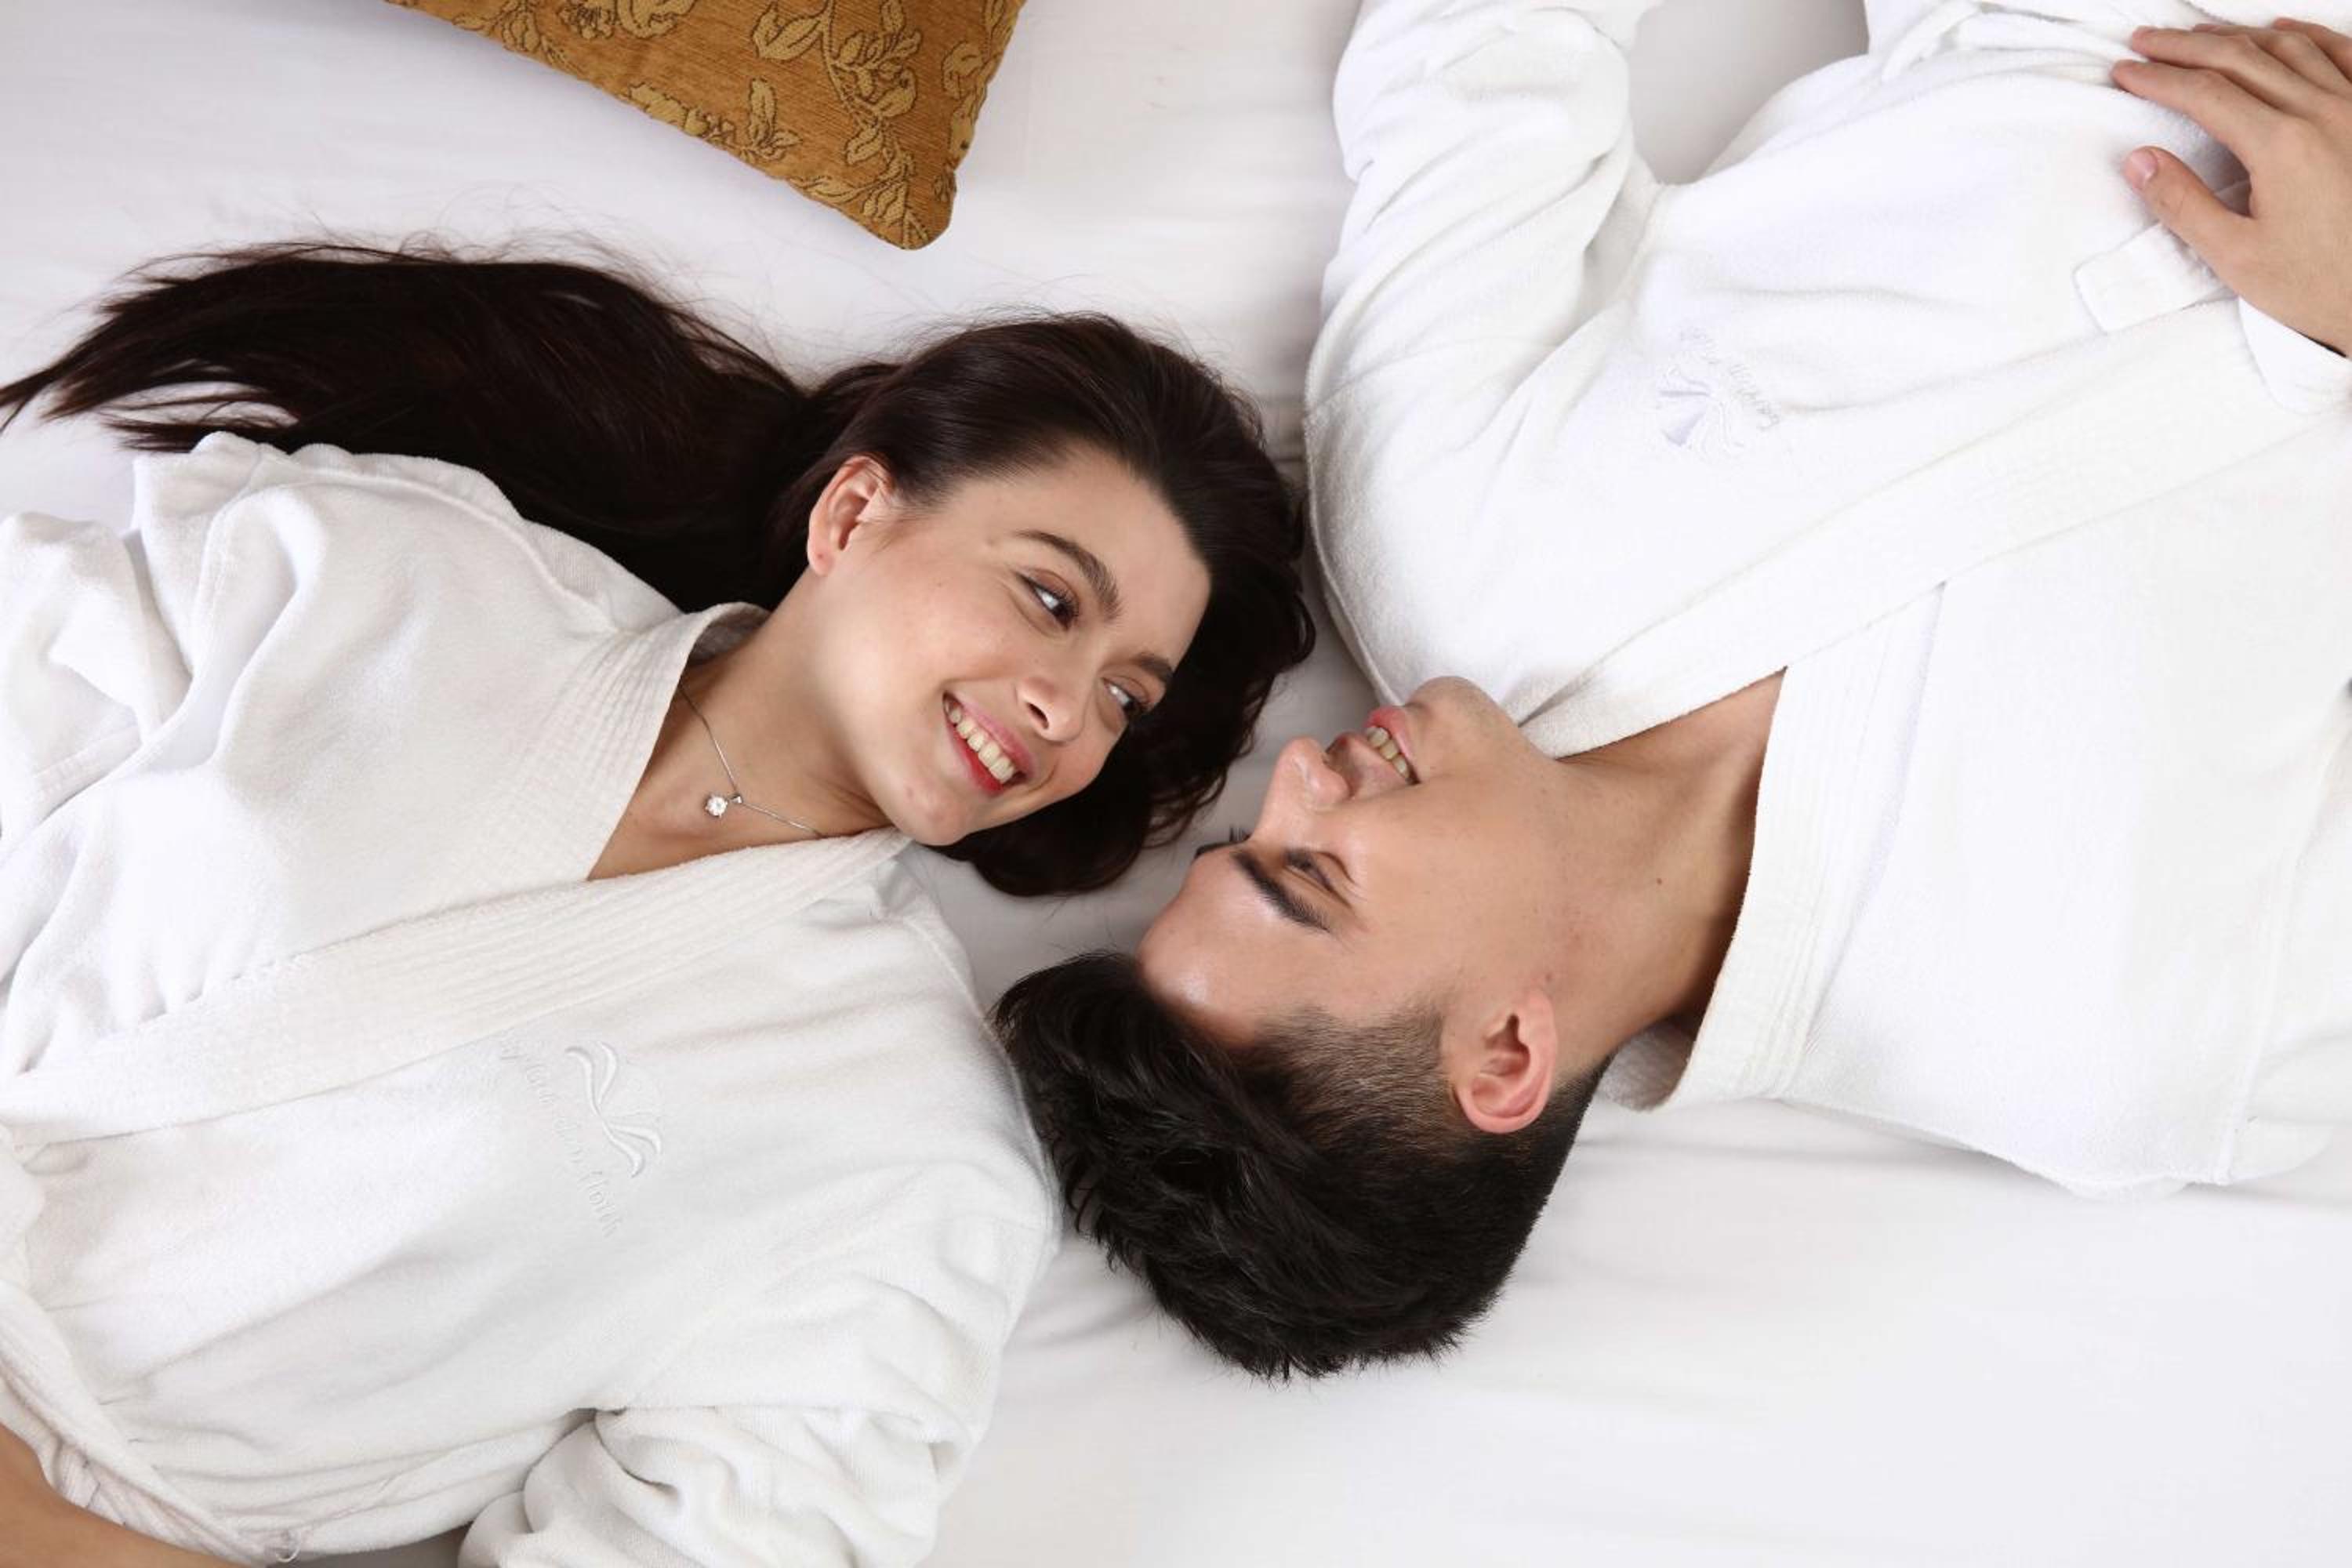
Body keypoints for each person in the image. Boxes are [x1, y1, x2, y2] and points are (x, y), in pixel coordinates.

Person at [998, 2, 2352, 1380]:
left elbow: (1482, 47)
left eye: (1252, 834)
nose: (1301, 772)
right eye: (1312, 875)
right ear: (1507, 1052)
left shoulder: (1432, 530)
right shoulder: (2150, 1060)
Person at [0, 243, 1312, 1562]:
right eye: (1049, 598)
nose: (1065, 708)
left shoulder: (911, 1146)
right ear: (856, 514)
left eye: (1123, 695)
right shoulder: (406, 576)